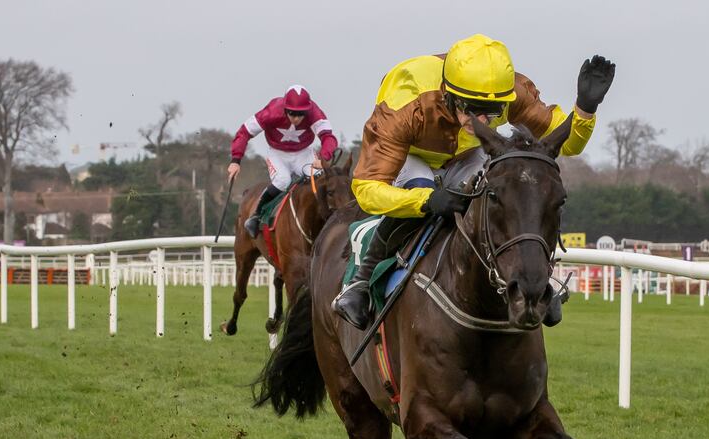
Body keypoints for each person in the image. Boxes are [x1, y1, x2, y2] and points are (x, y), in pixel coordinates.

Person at [333, 34, 615, 329]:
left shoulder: (511, 93)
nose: (480, 118)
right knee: (423, 191)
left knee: (503, 193)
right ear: (449, 95)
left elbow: (565, 145)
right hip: (412, 157)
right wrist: (426, 200)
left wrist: (584, 109)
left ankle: (538, 282)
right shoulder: (405, 102)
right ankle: (360, 282)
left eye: (491, 112)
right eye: (470, 107)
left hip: (468, 154)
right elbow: (366, 189)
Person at [227, 85, 339, 237]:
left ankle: (329, 218)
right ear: (285, 108)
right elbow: (244, 132)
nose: (297, 119)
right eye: (292, 113)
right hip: (278, 154)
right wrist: (235, 161)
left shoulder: (314, 112)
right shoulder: (272, 111)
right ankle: (256, 215)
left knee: (320, 178)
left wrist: (324, 157)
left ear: (308, 110)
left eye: (301, 114)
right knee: (282, 180)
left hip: (303, 153)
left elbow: (328, 137)